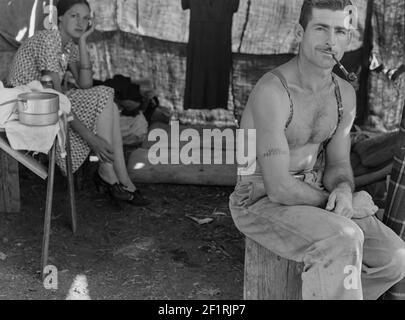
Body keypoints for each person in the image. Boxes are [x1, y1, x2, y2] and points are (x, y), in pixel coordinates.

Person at [229, 0, 405, 300]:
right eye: (321, 28)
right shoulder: (273, 92)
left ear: (349, 38)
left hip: (313, 187)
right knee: (342, 238)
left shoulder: (343, 94)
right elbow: (279, 188)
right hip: (259, 199)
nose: (330, 40)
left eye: (339, 31)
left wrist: (344, 193)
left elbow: (338, 164)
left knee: (395, 257)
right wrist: (336, 204)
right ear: (301, 32)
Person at [6, 0, 149, 206]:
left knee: (107, 98)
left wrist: (82, 41)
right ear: (60, 17)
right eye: (74, 16)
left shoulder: (67, 45)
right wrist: (90, 138)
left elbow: (85, 84)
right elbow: (56, 99)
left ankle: (120, 178)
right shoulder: (49, 39)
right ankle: (110, 173)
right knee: (105, 95)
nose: (81, 22)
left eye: (86, 18)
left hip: (43, 103)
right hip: (25, 107)